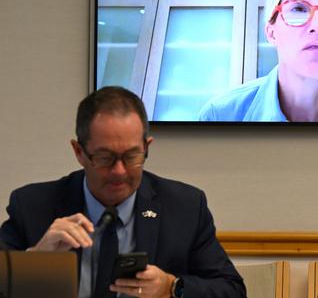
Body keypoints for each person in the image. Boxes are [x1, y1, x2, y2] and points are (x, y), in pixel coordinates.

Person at [0, 86, 245, 298]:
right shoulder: (32, 206)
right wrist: (35, 260)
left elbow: (231, 290)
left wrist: (171, 287)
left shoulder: (185, 207)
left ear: (146, 147)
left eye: (131, 156)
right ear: (78, 152)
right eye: (105, 158)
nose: (119, 171)